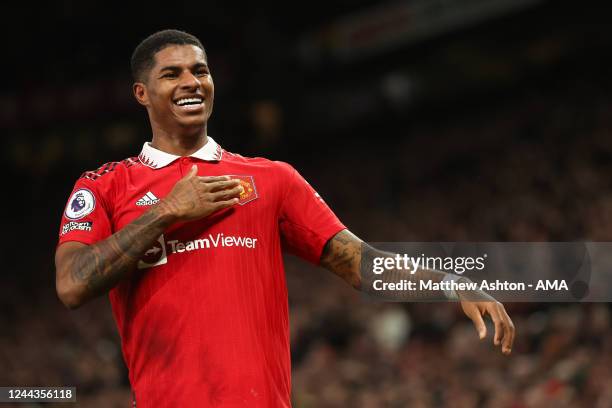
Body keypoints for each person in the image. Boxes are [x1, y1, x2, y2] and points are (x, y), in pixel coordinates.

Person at [55, 29, 514, 407]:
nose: (191, 82)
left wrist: (451, 283)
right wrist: (166, 212)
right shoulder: (104, 187)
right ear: (142, 93)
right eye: (171, 74)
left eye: (201, 70)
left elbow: (358, 261)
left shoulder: (271, 179)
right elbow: (72, 285)